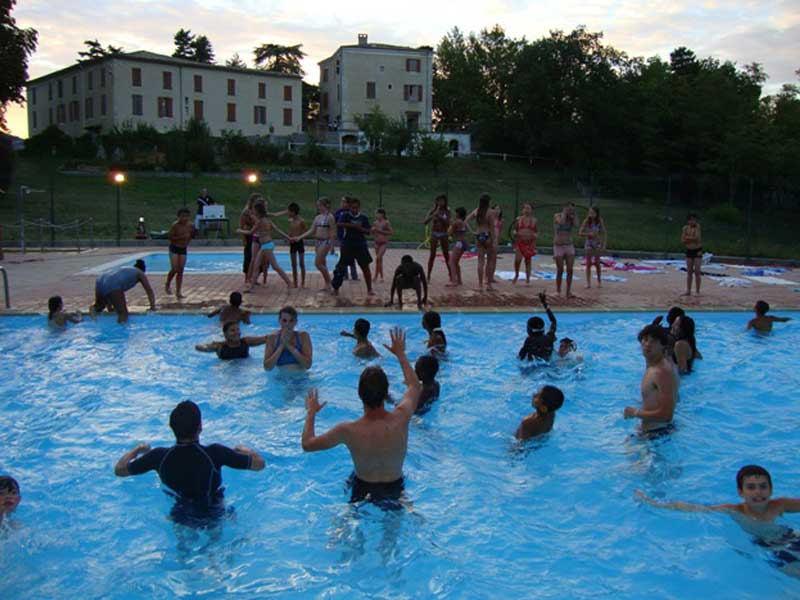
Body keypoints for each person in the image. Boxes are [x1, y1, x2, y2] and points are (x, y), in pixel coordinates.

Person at [301, 327, 421, 508]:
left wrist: (311, 413)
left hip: (361, 488)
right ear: (386, 393)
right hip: (395, 487)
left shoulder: (347, 430)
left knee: (349, 525)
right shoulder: (401, 417)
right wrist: (401, 355)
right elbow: (414, 386)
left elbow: (308, 444)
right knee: (392, 532)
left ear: (359, 394)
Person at [635, 465, 800, 573]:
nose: (758, 492)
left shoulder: (780, 505)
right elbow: (693, 508)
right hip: (772, 549)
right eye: (751, 487)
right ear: (741, 492)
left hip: (792, 537)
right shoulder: (734, 511)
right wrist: (655, 504)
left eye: (763, 487)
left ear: (771, 490)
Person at [114, 400, 265, 516]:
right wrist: (245, 450)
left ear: (171, 427)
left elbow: (120, 470)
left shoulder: (158, 457)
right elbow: (259, 464)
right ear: (200, 427)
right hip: (215, 512)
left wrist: (139, 449)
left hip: (180, 514)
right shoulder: (216, 453)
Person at [623, 324, 679, 435]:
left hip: (657, 436)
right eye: (645, 340)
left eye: (653, 341)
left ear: (663, 345)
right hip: (652, 432)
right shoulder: (653, 365)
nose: (648, 344)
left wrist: (635, 413)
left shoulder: (662, 372)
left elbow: (667, 415)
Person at [239, 200, 293, 291]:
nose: (253, 211)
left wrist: (240, 231)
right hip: (266, 245)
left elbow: (250, 232)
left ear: (258, 211)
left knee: (275, 266)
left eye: (254, 210)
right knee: (256, 266)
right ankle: (251, 288)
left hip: (267, 245)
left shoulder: (260, 222)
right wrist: (287, 237)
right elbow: (277, 229)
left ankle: (289, 283)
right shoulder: (267, 220)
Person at [90, 259, 156, 324]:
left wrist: (110, 307)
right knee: (123, 313)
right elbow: (149, 291)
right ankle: (120, 331)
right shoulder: (140, 273)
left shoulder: (126, 269)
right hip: (112, 282)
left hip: (101, 279)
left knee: (100, 306)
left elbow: (110, 291)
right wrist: (152, 307)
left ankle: (94, 308)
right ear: (143, 270)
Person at [292, 197, 336, 292]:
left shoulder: (330, 217)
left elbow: (332, 232)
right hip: (318, 242)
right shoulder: (318, 217)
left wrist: (332, 246)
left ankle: (330, 283)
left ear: (325, 205)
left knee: (318, 263)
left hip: (325, 241)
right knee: (323, 263)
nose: (318, 207)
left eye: (320, 205)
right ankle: (327, 284)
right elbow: (312, 230)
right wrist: (299, 237)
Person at [331, 197, 374, 297]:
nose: (354, 210)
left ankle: (370, 289)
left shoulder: (363, 217)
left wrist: (360, 228)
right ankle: (335, 288)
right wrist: (352, 226)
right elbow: (339, 224)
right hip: (348, 244)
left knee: (365, 267)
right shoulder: (345, 215)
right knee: (341, 267)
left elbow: (369, 231)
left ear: (359, 208)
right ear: (349, 207)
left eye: (356, 208)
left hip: (360, 244)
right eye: (352, 208)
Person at [263, 306, 313, 370]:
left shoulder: (303, 336)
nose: (287, 324)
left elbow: (307, 365)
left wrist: (289, 346)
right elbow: (267, 367)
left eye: (291, 320)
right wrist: (281, 346)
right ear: (279, 321)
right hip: (280, 379)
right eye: (284, 320)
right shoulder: (272, 338)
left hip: (301, 378)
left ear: (296, 322)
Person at [466, 194, 496, 291]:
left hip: (479, 235)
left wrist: (472, 232)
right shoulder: (490, 212)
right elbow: (492, 227)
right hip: (487, 236)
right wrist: (493, 239)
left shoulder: (477, 210)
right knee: (490, 261)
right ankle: (489, 285)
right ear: (488, 202)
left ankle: (480, 285)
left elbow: (466, 221)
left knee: (480, 261)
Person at [195, 321, 268, 360]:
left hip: (245, 371)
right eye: (232, 330)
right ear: (225, 334)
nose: (237, 333)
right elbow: (198, 347)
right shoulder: (219, 346)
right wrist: (211, 347)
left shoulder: (246, 341)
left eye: (238, 329)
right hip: (225, 374)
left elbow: (265, 339)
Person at [518, 292, 557, 361]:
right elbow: (553, 321)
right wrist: (544, 303)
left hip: (533, 368)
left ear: (529, 330)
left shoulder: (529, 340)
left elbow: (520, 357)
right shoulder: (549, 337)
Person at [423, 194, 452, 283]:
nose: (440, 203)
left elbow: (448, 223)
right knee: (432, 255)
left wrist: (439, 216)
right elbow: (425, 222)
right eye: (438, 201)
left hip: (444, 234)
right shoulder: (433, 210)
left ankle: (451, 274)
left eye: (442, 201)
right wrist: (433, 215)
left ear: (445, 202)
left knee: (446, 255)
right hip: (434, 234)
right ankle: (428, 276)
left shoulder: (447, 211)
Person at [165, 207, 193, 299]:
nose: (184, 219)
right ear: (178, 217)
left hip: (183, 248)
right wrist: (181, 237)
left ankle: (178, 291)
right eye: (182, 217)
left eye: (186, 217)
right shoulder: (175, 226)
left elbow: (190, 236)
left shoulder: (189, 226)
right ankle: (168, 283)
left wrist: (186, 241)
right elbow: (170, 238)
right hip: (174, 248)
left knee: (181, 270)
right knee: (175, 268)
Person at [578, 206, 607, 288]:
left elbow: (604, 232)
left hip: (597, 242)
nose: (591, 215)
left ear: (596, 213)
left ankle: (599, 281)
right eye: (590, 213)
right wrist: (588, 234)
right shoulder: (587, 221)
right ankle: (588, 282)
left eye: (593, 213)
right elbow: (580, 232)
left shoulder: (599, 220)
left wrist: (603, 244)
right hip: (589, 242)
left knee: (597, 263)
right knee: (588, 263)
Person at [553, 202, 577, 297]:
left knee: (570, 269)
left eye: (571, 209)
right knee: (560, 269)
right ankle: (558, 290)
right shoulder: (557, 215)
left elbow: (576, 224)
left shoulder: (572, 217)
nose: (570, 211)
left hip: (568, 245)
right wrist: (564, 213)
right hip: (558, 245)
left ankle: (568, 291)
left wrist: (573, 216)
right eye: (568, 208)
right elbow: (561, 222)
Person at [511, 203, 538, 285]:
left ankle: (528, 279)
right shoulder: (518, 219)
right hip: (520, 242)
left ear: (531, 210)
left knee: (528, 261)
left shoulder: (534, 220)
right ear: (522, 210)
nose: (527, 210)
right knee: (517, 260)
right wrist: (515, 233)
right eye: (525, 208)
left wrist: (535, 236)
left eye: (528, 209)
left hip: (529, 243)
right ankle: (516, 274)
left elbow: (536, 232)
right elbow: (515, 229)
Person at [334, 197, 358, 281]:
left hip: (350, 237)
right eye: (341, 202)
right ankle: (345, 275)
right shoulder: (339, 212)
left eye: (344, 202)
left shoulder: (351, 212)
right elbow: (335, 220)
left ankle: (354, 275)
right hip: (342, 237)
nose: (342, 204)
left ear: (348, 204)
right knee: (343, 255)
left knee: (351, 255)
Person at [286, 202, 307, 288]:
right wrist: (288, 237)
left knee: (301, 263)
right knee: (293, 264)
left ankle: (302, 282)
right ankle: (295, 282)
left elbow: (305, 230)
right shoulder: (290, 221)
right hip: (292, 243)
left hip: (299, 243)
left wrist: (299, 236)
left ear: (293, 212)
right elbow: (291, 231)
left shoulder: (301, 221)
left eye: (289, 211)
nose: (288, 213)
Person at [447, 207, 469, 287]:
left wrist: (450, 224)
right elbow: (466, 229)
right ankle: (459, 280)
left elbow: (449, 233)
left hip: (459, 243)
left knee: (451, 262)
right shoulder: (463, 222)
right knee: (456, 262)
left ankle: (454, 281)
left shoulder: (456, 222)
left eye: (456, 213)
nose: (455, 214)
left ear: (458, 214)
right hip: (464, 242)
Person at [681, 213, 703, 296]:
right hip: (689, 250)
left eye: (694, 220)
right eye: (691, 220)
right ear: (688, 221)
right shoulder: (685, 228)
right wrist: (690, 238)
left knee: (697, 271)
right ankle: (688, 290)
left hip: (697, 250)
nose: (693, 221)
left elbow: (697, 238)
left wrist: (688, 238)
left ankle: (697, 291)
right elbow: (683, 240)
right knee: (689, 271)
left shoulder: (697, 227)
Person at [240, 194, 258, 284]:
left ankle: (253, 277)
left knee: (255, 257)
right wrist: (244, 239)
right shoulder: (246, 212)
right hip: (249, 236)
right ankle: (247, 277)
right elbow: (242, 225)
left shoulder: (255, 211)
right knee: (248, 256)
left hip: (255, 234)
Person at [372, 208, 393, 282]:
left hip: (383, 243)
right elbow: (373, 233)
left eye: (377, 213)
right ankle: (381, 276)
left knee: (378, 258)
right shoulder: (375, 223)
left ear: (382, 214)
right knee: (379, 260)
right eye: (375, 214)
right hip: (377, 243)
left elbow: (391, 232)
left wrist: (379, 231)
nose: (376, 215)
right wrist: (373, 231)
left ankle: (375, 276)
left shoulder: (386, 222)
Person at [487, 203, 503, 284]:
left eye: (499, 209)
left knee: (494, 260)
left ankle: (491, 277)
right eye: (495, 209)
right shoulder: (491, 220)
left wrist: (497, 242)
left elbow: (499, 233)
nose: (497, 211)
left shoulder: (500, 221)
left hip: (496, 241)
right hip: (490, 240)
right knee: (489, 260)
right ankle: (486, 277)